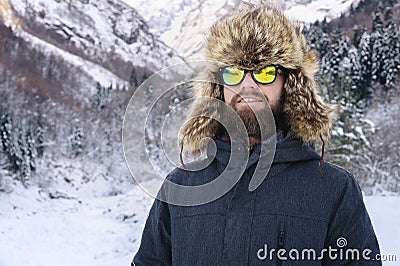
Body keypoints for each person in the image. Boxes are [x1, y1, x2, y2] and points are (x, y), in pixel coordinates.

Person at [132, 3, 381, 265]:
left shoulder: (334, 189)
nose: (247, 85)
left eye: (264, 72)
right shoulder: (180, 187)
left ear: (290, 85)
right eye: (233, 72)